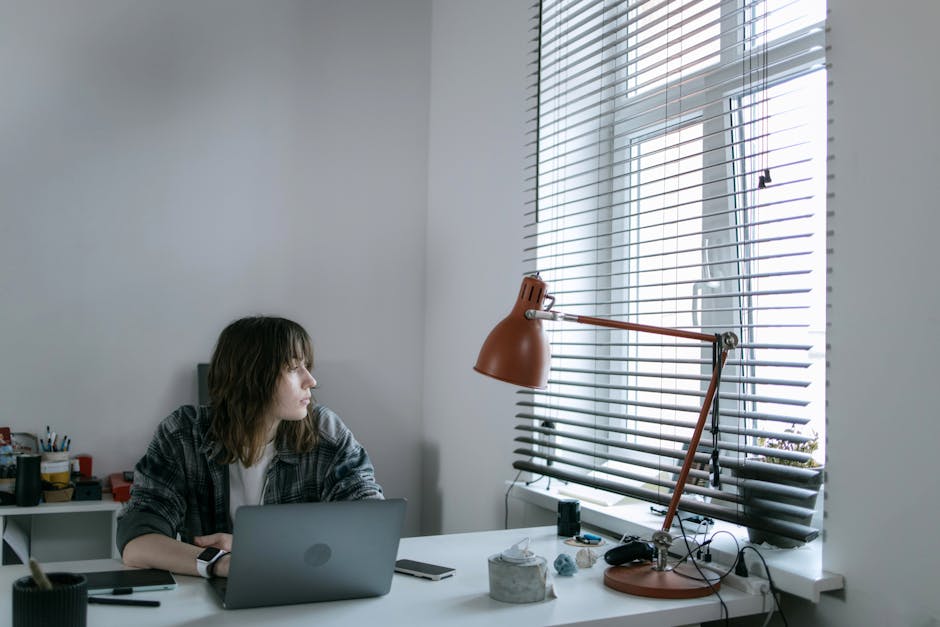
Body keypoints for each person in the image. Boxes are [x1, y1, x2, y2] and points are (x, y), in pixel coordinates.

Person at [116, 316, 383, 578]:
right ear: (252, 377)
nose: (311, 380)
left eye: (307, 366)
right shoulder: (183, 434)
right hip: (211, 599)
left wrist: (254, 548)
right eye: (293, 368)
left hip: (302, 587)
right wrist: (221, 563)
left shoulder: (324, 431)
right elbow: (137, 542)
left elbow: (372, 525)